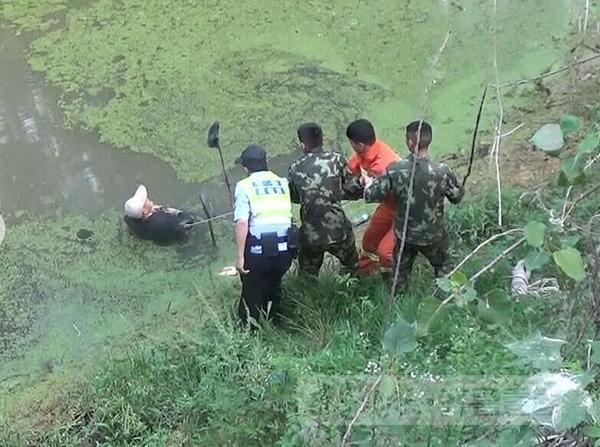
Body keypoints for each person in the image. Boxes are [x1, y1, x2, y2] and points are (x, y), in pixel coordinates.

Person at [363, 121, 464, 290]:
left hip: (405, 236)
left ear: (410, 142)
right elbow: (456, 197)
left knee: (399, 275)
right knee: (444, 267)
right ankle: (447, 297)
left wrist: (368, 184)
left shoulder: (395, 170)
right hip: (433, 235)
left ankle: (398, 300)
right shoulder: (442, 171)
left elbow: (371, 195)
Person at [288, 122, 363, 276]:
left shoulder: (295, 168)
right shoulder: (337, 160)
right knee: (354, 267)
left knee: (307, 277)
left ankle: (310, 291)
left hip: (311, 233)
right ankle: (355, 285)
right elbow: (354, 190)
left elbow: (295, 197)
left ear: (302, 145)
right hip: (338, 230)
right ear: (323, 139)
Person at [234, 144, 294, 326]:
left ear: (246, 167)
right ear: (266, 161)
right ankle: (274, 321)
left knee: (251, 293)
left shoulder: (243, 186)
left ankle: (248, 330)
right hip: (286, 251)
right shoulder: (283, 182)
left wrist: (240, 257)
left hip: (259, 252)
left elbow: (242, 222)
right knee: (274, 285)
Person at [346, 119, 400, 276]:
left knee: (385, 252)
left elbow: (371, 194)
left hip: (405, 208)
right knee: (369, 242)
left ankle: (392, 281)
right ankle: (365, 274)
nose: (351, 146)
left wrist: (361, 183)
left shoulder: (381, 166)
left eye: (351, 142)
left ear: (360, 145)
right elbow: (354, 165)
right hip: (389, 205)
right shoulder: (372, 148)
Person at [123, 185, 194, 244]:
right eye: (145, 200)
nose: (147, 198)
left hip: (153, 236)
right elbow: (188, 223)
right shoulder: (165, 221)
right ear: (144, 210)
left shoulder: (130, 219)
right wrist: (167, 210)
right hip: (168, 236)